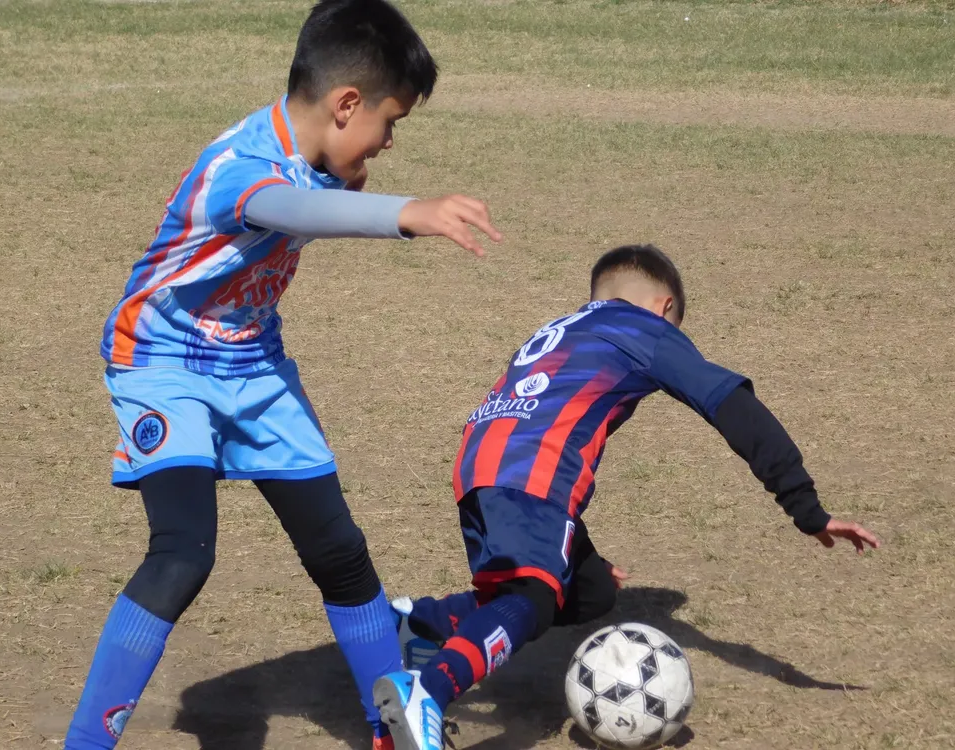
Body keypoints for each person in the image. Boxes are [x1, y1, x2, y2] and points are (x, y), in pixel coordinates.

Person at [63, 1, 500, 748]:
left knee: (338, 551)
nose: (389, 142)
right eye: (389, 123)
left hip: (253, 364)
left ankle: (391, 726)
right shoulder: (244, 171)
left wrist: (354, 178)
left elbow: (315, 194)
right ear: (346, 104)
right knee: (182, 554)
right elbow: (292, 209)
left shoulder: (310, 152)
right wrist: (407, 213)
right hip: (163, 363)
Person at [373, 244, 880, 750]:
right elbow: (734, 408)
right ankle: (428, 691)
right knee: (530, 597)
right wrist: (807, 510)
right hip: (532, 476)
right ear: (663, 308)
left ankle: (416, 624)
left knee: (589, 589)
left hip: (481, 468)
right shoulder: (646, 330)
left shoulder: (564, 329)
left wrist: (581, 555)